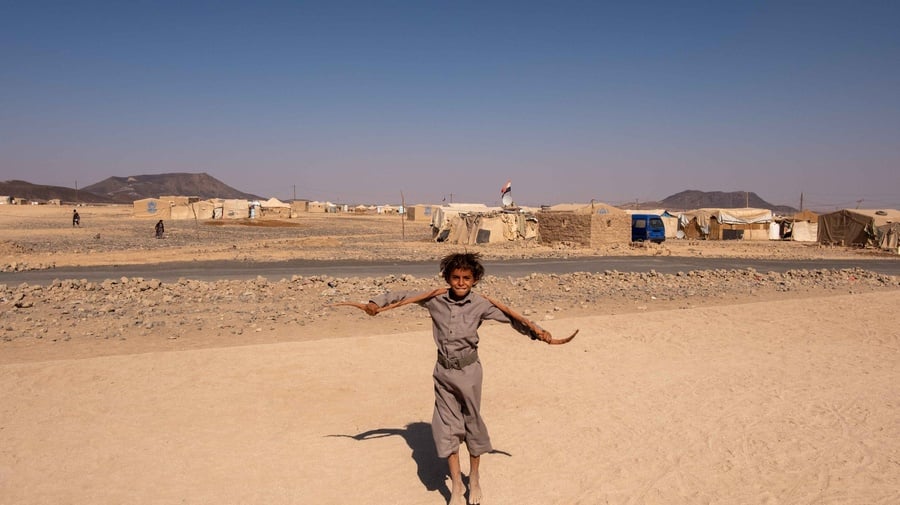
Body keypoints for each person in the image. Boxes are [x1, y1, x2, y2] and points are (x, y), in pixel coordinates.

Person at [339, 252, 572, 505]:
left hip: (470, 373)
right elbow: (403, 295)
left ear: (475, 280)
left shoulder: (481, 304)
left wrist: (539, 333)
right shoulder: (434, 299)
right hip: (443, 372)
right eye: (456, 277)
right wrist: (375, 304)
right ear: (448, 278)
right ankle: (457, 486)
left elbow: (513, 319)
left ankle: (474, 478)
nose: (461, 282)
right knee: (447, 428)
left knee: (472, 423)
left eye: (466, 278)